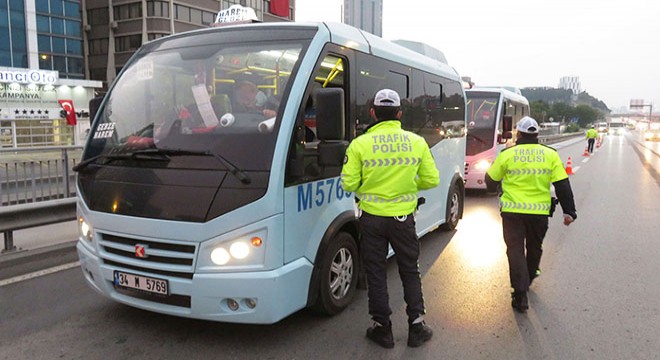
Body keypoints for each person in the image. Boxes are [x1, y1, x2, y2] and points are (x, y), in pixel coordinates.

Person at [340, 89, 439, 348]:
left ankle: (382, 329)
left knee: (375, 272)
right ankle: (416, 326)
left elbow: (348, 184)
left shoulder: (360, 144)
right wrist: (406, 185)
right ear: (399, 114)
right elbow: (432, 179)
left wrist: (369, 184)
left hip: (371, 219)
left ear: (372, 112)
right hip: (403, 218)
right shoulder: (416, 142)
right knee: (410, 270)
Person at [485, 116, 577, 313]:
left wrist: (493, 187)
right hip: (539, 214)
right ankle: (530, 275)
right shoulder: (550, 155)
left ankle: (519, 294)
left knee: (515, 250)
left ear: (518, 133)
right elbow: (562, 184)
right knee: (535, 247)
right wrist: (569, 212)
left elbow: (490, 180)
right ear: (537, 134)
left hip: (512, 213)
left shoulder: (507, 154)